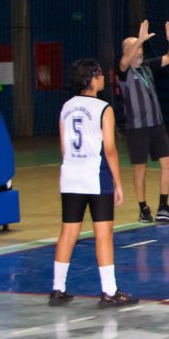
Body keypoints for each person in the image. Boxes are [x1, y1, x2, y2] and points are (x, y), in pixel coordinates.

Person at [50, 59, 137, 308]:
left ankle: (58, 288)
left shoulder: (66, 107)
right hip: (95, 176)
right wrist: (118, 183)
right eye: (99, 74)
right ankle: (109, 291)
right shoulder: (103, 108)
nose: (102, 78)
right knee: (103, 234)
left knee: (68, 231)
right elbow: (109, 149)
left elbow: (64, 147)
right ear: (91, 79)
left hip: (70, 175)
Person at [118, 20, 169, 223]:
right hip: (137, 128)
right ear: (127, 51)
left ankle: (163, 206)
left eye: (141, 48)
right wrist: (139, 39)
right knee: (140, 167)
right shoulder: (124, 72)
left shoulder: (147, 66)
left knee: (168, 163)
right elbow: (123, 62)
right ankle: (143, 208)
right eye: (135, 48)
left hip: (156, 126)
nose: (139, 51)